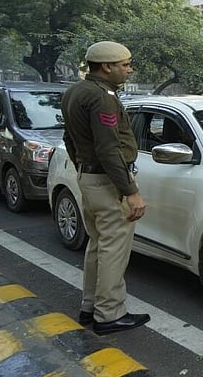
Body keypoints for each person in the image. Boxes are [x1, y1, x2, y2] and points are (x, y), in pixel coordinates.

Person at [61, 41, 150, 335]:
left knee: (98, 245)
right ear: (107, 67)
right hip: (107, 181)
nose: (129, 69)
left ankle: (90, 307)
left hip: (90, 176)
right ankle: (109, 314)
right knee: (114, 249)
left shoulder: (75, 91)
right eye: (125, 64)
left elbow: (69, 139)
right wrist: (130, 190)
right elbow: (109, 148)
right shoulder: (103, 97)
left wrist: (83, 169)